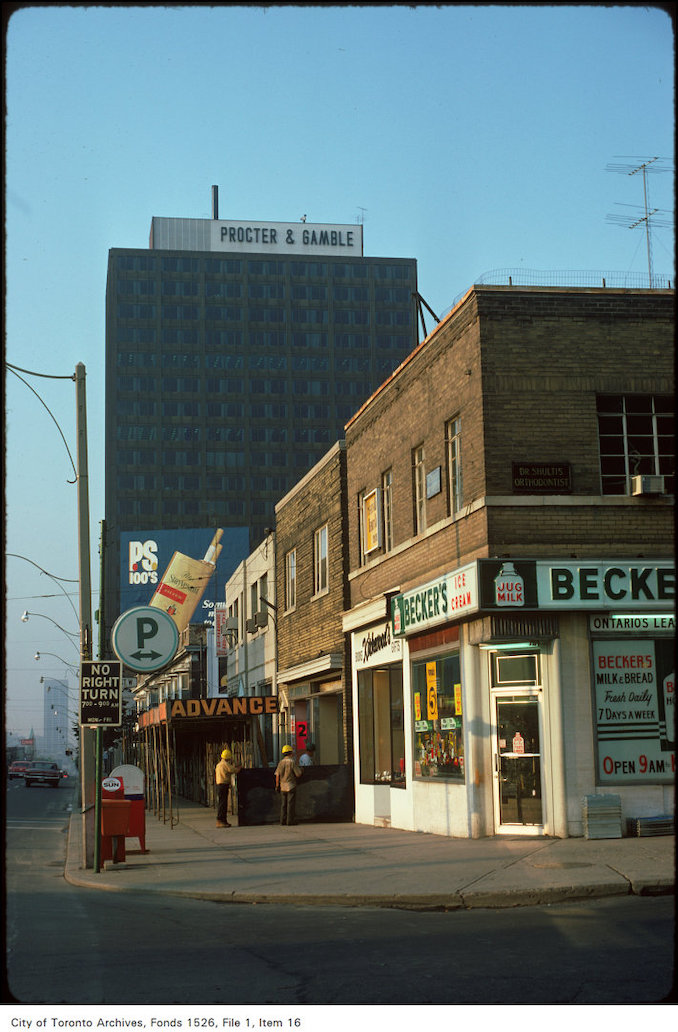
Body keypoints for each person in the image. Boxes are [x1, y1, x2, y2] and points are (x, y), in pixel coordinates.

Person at [275, 744, 302, 826]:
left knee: (283, 804)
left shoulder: (280, 763)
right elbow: (298, 774)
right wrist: (301, 770)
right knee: (290, 804)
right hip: (291, 786)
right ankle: (289, 821)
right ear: (290, 753)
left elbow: (277, 775)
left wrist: (277, 785)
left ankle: (282, 821)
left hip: (282, 786)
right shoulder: (292, 762)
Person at [215, 747, 241, 828]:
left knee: (222, 803)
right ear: (228, 758)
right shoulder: (225, 764)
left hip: (219, 785)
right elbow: (234, 770)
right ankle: (220, 820)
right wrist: (239, 767)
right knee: (223, 804)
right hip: (223, 785)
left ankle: (223, 821)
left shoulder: (219, 764)